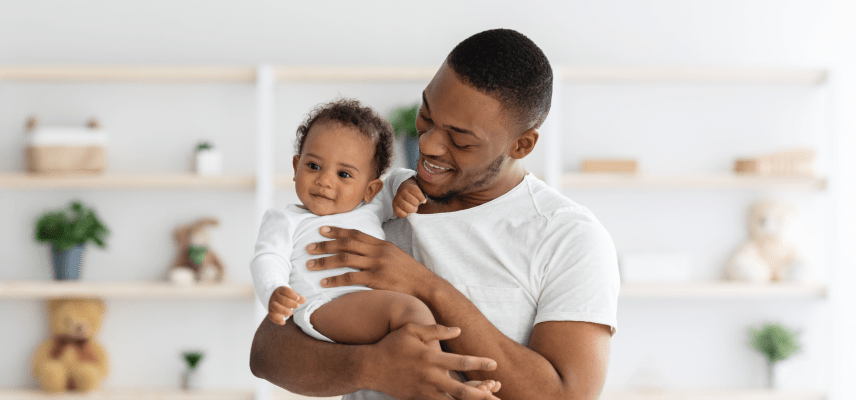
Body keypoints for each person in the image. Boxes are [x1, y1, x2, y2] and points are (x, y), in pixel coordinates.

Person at [250, 28, 620, 400]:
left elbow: (567, 395)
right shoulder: (373, 200)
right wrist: (374, 368)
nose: (427, 144)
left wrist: (424, 286)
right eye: (426, 116)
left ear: (521, 144)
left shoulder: (567, 236)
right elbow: (267, 353)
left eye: (460, 140)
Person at [250, 98, 500, 395]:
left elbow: (398, 179)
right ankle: (443, 389)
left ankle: (453, 384)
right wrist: (274, 291)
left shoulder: (370, 205)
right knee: (410, 310)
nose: (324, 181)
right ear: (296, 166)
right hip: (324, 307)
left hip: (363, 308)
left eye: (343, 174)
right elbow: (268, 256)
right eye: (314, 166)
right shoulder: (286, 218)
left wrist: (407, 189)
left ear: (370, 188)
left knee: (411, 333)